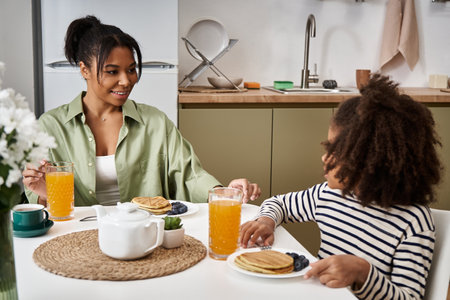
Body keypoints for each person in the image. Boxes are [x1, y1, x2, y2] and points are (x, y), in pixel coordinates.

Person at [240, 74, 442, 299]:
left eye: (337, 152)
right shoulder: (329, 194)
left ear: (372, 161)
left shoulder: (414, 222)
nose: (325, 159)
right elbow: (279, 204)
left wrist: (363, 273)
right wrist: (267, 221)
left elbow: (410, 297)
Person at [22, 15, 260, 206]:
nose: (126, 81)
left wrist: (224, 192)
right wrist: (45, 193)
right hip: (76, 245)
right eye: (113, 71)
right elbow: (44, 208)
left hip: (146, 244)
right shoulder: (50, 127)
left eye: (132, 69)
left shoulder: (155, 123)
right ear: (84, 70)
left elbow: (189, 176)